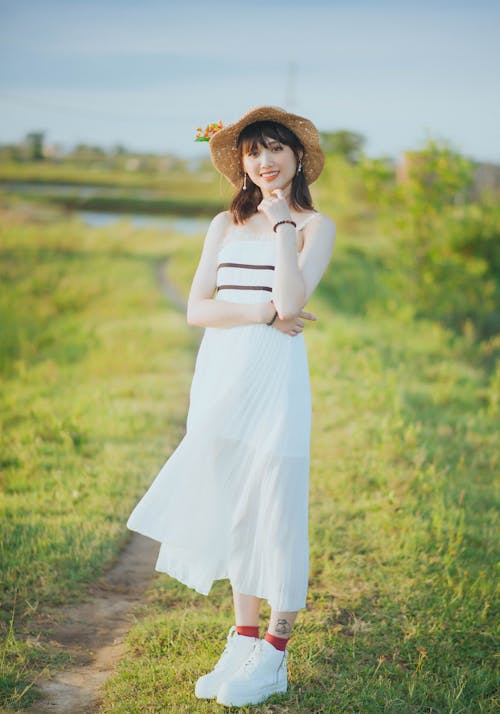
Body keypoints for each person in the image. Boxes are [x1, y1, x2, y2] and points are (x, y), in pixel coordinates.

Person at [127, 105, 336, 707]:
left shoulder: (315, 227)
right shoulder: (222, 223)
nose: (264, 161)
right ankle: (243, 639)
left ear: (297, 157)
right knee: (237, 509)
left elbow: (293, 299)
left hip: (275, 382)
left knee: (275, 508)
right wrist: (260, 313)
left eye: (275, 148)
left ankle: (275, 654)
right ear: (241, 164)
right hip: (219, 377)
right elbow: (198, 308)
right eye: (253, 152)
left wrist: (282, 228)